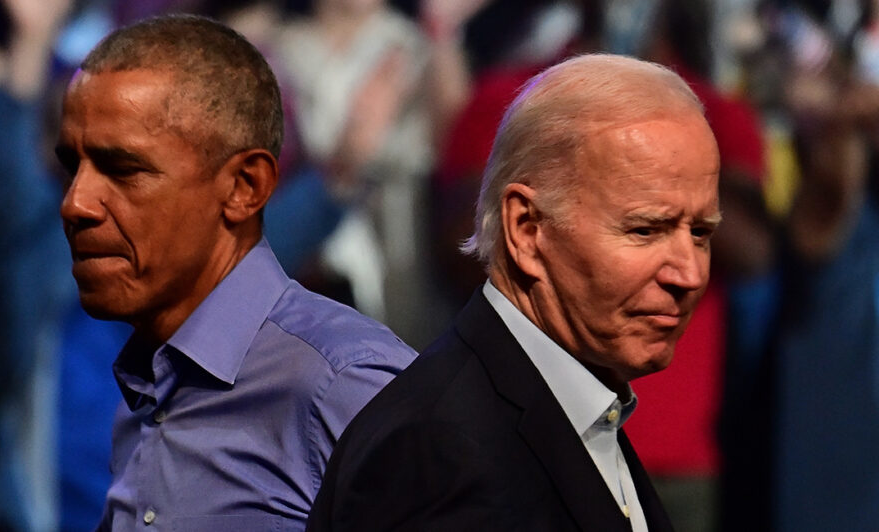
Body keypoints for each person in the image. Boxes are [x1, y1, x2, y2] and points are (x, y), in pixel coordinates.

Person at [307, 54, 720, 532]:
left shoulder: (571, 411)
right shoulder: (438, 454)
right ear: (526, 229)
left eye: (701, 234)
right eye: (646, 230)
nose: (688, 274)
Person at [54, 14, 416, 531]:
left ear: (245, 186)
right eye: (73, 167)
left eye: (124, 169)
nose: (76, 203)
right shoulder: (148, 389)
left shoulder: (344, 385)